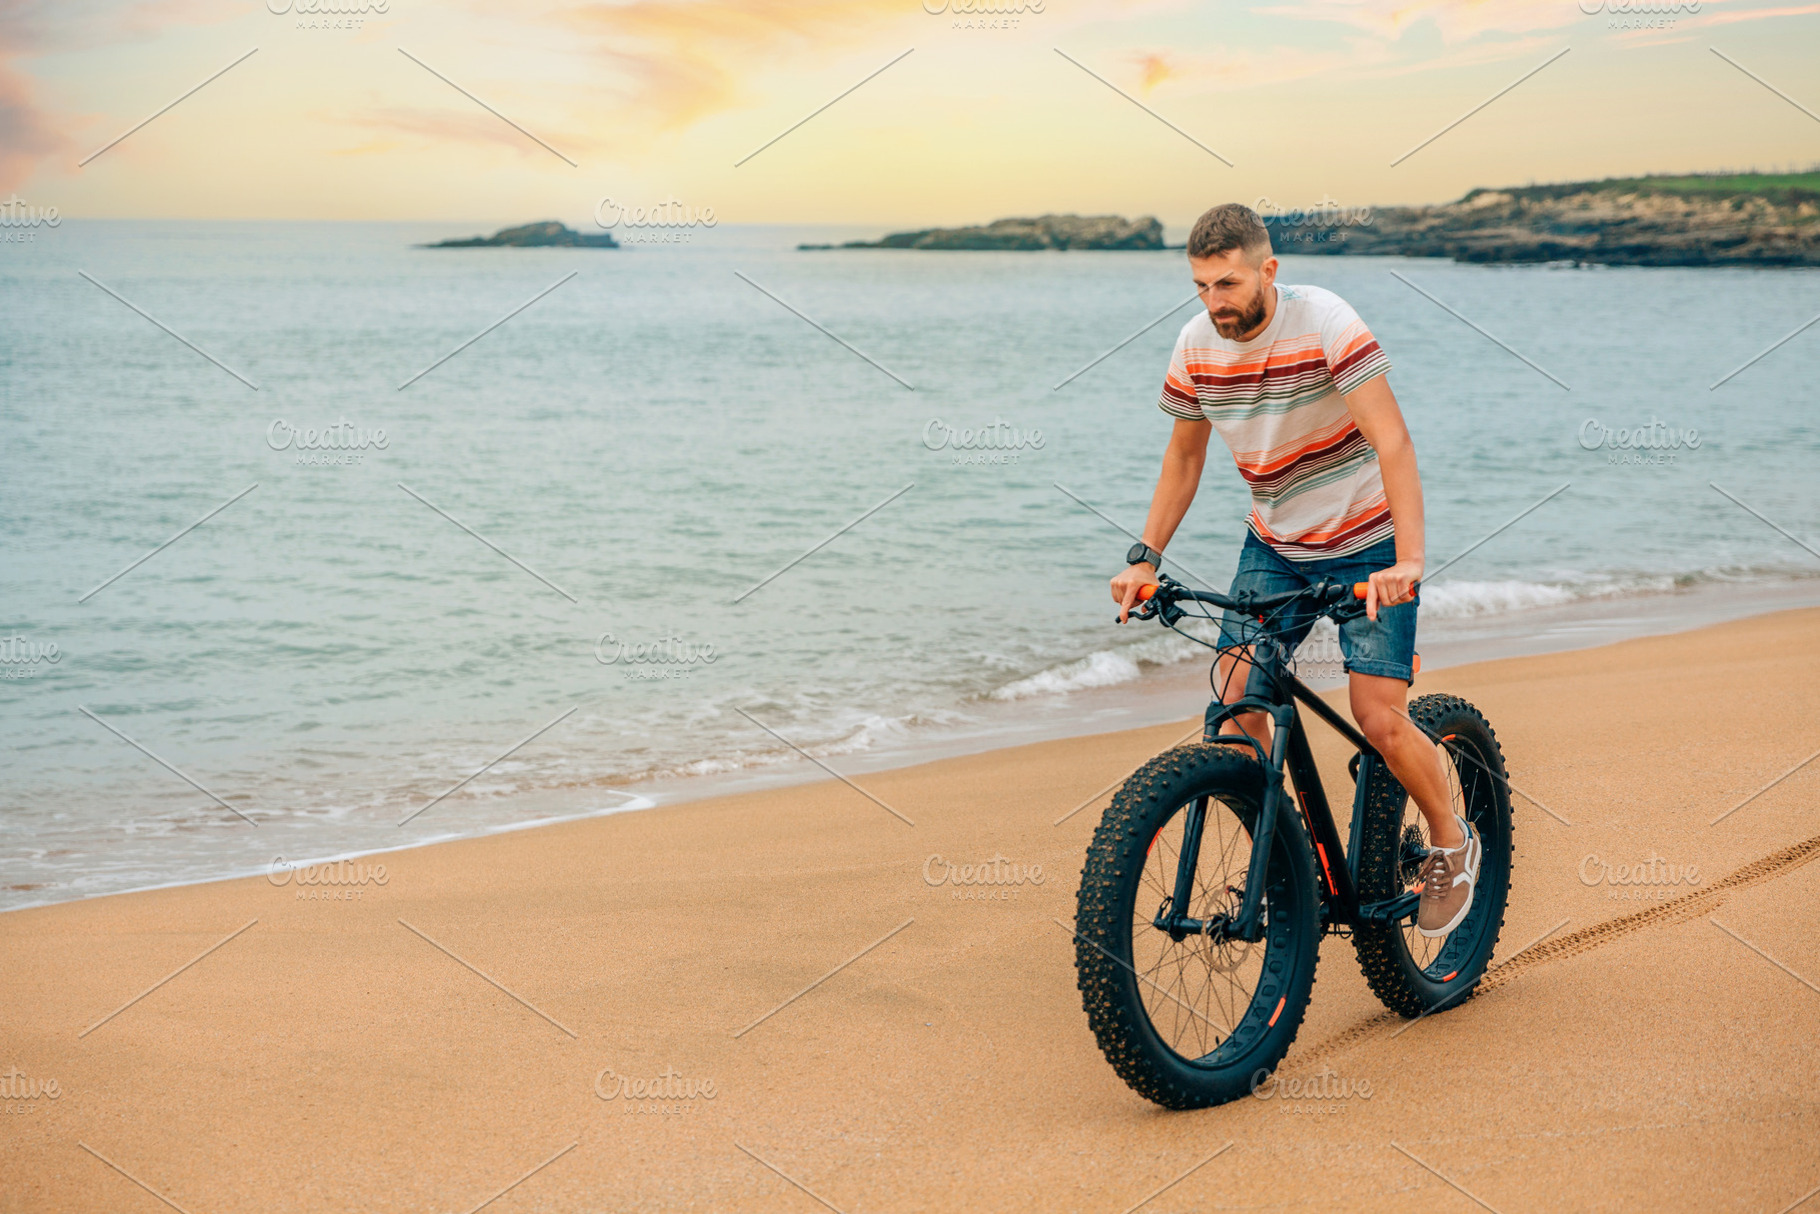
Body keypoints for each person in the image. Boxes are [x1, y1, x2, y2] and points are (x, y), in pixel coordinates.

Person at [1107, 203, 1477, 937]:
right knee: (1237, 702)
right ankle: (1297, 858)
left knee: (1379, 719)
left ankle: (1450, 840)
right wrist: (1144, 559)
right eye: (1203, 286)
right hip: (1275, 546)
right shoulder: (1194, 345)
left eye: (1230, 283)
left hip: (1370, 543)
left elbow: (1393, 441)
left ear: (1268, 271)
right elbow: (1185, 457)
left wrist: (1408, 560)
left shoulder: (1326, 321)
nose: (1216, 302)